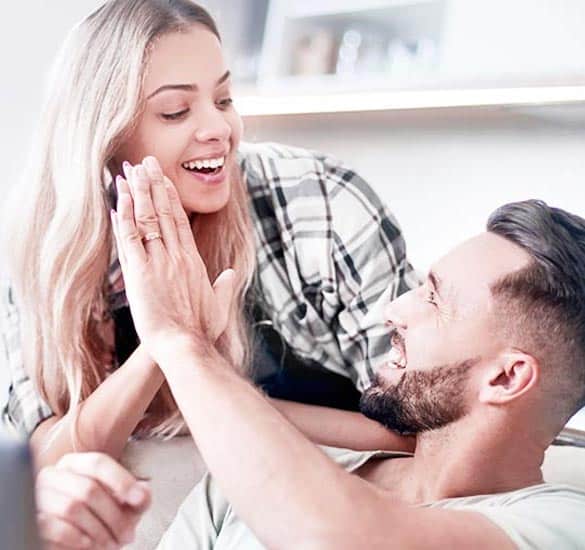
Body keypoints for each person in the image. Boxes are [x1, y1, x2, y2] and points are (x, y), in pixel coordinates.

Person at [0, 0, 417, 469]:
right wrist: (169, 342)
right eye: (176, 111)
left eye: (223, 100)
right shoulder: (50, 244)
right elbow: (44, 461)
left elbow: (419, 434)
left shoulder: (320, 202)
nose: (220, 128)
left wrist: (215, 398)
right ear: (105, 135)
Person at [111, 170, 585, 549]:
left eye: (434, 301)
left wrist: (183, 343)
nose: (394, 311)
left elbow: (331, 536)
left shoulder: (558, 524)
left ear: (506, 377)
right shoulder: (241, 480)